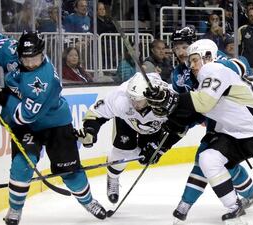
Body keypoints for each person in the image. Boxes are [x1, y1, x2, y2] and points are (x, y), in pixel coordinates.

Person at [0, 17, 107, 224]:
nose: (32, 63)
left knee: (68, 169)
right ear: (18, 53)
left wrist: (2, 97)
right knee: (21, 165)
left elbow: (24, 116)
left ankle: (88, 201)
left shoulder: (44, 80)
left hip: (55, 123)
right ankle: (15, 210)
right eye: (27, 59)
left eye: (36, 58)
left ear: (43, 53)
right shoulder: (11, 50)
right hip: (29, 127)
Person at [145, 39, 253, 223]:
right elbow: (191, 113)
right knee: (207, 158)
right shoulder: (205, 77)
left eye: (195, 60)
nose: (192, 66)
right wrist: (168, 105)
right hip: (231, 135)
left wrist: (172, 100)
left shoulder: (214, 69)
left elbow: (203, 102)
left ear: (208, 57)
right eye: (190, 61)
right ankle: (234, 206)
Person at [170, 29, 253, 223]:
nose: (181, 52)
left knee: (205, 157)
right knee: (220, 161)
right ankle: (251, 193)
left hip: (235, 116)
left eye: (185, 47)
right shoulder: (178, 74)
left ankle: (185, 204)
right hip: (215, 119)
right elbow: (189, 107)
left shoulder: (211, 58)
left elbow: (242, 64)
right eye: (177, 47)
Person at [75, 72, 182, 204]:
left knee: (144, 155)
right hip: (127, 121)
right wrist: (90, 131)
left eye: (137, 100)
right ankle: (113, 177)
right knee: (122, 151)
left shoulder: (166, 100)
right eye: (131, 98)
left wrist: (161, 148)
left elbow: (180, 128)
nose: (133, 103)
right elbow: (96, 113)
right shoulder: (121, 98)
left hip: (154, 128)